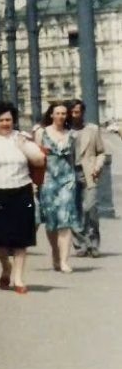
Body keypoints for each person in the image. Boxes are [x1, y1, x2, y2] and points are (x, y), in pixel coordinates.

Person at [0, 101, 47, 294]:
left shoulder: (20, 137)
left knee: (22, 237)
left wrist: (24, 145)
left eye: (9, 120)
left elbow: (39, 160)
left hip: (21, 190)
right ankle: (6, 266)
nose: (6, 123)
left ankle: (19, 278)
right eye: (2, 120)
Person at [33, 102, 80, 273]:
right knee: (52, 222)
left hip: (67, 180)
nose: (61, 116)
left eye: (64, 113)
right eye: (57, 113)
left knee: (65, 220)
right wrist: (35, 182)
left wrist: (77, 178)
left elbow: (74, 159)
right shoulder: (41, 133)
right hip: (48, 179)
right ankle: (55, 252)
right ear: (51, 115)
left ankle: (64, 260)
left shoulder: (72, 135)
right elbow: (36, 158)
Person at [70, 99, 107, 257]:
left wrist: (98, 166)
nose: (74, 115)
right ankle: (80, 245)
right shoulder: (64, 131)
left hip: (88, 173)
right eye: (71, 112)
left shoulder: (92, 129)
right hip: (69, 174)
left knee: (89, 208)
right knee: (74, 210)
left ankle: (93, 243)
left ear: (83, 113)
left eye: (77, 112)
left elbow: (101, 152)